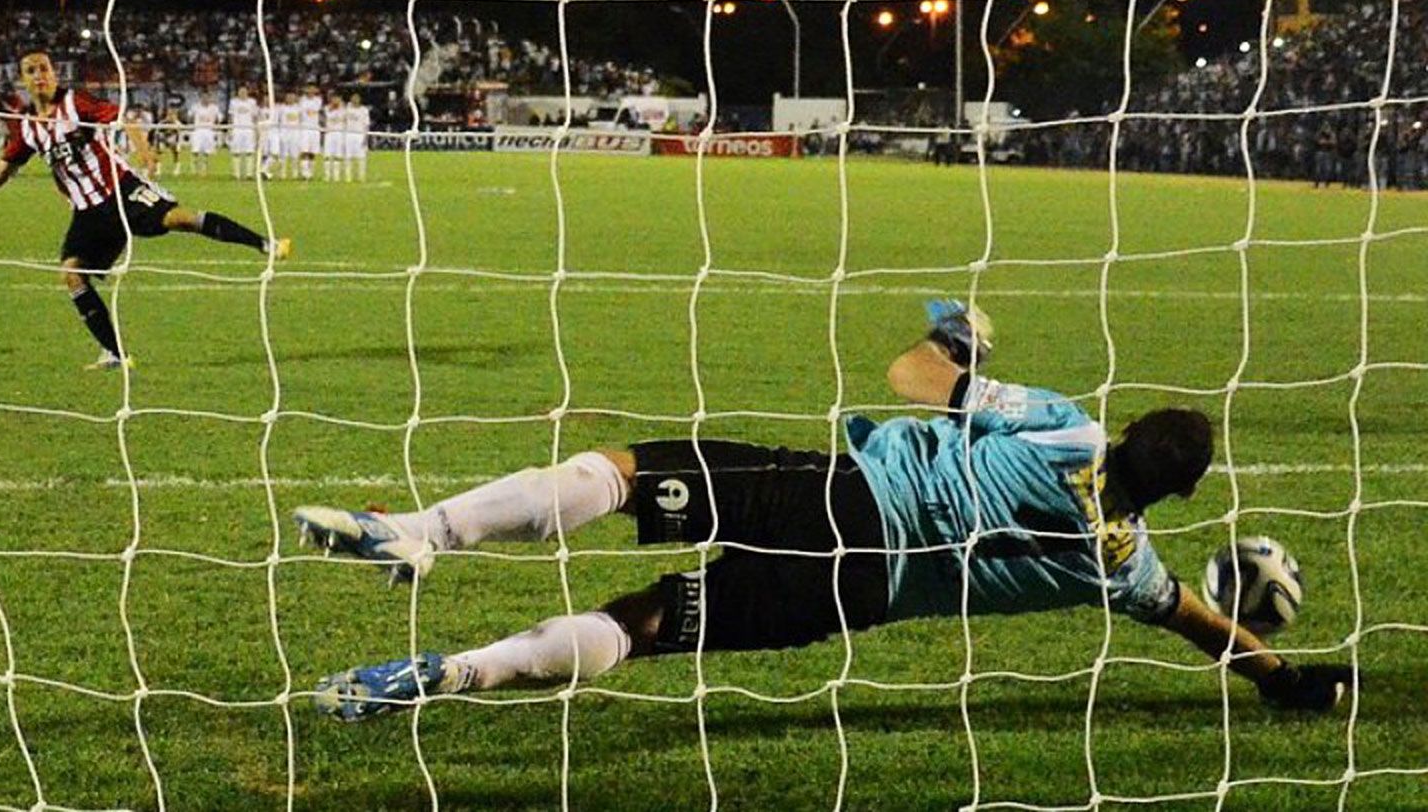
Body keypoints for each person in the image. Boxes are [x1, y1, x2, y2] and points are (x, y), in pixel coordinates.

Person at [292, 302, 1355, 721]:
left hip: (840, 494)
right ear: (1173, 495)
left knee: (622, 469)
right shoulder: (1118, 564)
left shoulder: (1068, 430)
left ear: (1125, 436)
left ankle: (422, 535)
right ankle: (446, 676)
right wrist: (1278, 674)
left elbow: (908, 377)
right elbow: (1189, 615)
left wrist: (957, 338)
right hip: (858, 592)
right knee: (642, 627)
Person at [0, 51, 292, 370]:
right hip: (87, 213)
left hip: (122, 189)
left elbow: (122, 118)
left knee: (179, 218)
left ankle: (266, 244)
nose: (39, 76)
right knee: (72, 273)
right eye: (30, 71)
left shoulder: (75, 102)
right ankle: (114, 353)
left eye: (44, 69)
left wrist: (145, 151)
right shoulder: (27, 128)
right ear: (23, 79)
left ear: (53, 73)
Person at [227, 85, 258, 180]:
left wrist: (256, 130)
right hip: (237, 129)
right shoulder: (233, 102)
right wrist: (230, 129)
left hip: (248, 129)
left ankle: (249, 174)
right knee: (236, 152)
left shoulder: (252, 102)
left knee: (249, 152)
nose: (243, 94)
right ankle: (236, 174)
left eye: (244, 92)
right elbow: (231, 117)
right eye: (241, 92)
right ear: (238, 93)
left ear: (247, 92)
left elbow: (254, 117)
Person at [188, 92, 221, 176]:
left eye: (207, 97)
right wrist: (192, 126)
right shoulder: (195, 107)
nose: (205, 99)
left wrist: (215, 126)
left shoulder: (214, 108)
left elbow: (219, 118)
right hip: (198, 131)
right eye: (203, 97)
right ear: (201, 98)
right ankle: (194, 170)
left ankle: (204, 170)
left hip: (209, 131)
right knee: (195, 151)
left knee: (206, 152)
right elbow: (189, 116)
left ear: (210, 98)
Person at [342, 93, 370, 183]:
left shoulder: (364, 110)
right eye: (353, 98)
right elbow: (343, 122)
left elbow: (366, 125)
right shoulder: (347, 109)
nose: (355, 100)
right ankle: (348, 177)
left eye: (357, 98)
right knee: (348, 157)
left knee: (361, 157)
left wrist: (365, 137)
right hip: (349, 134)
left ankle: (361, 177)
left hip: (359, 135)